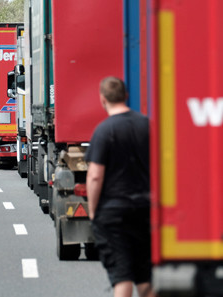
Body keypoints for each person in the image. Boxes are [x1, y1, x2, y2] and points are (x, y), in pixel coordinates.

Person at [85, 77, 153, 297]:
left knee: (122, 277)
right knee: (146, 277)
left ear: (102, 99)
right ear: (126, 96)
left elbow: (95, 176)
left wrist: (93, 210)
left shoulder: (104, 131)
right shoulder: (147, 125)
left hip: (114, 213)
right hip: (145, 209)